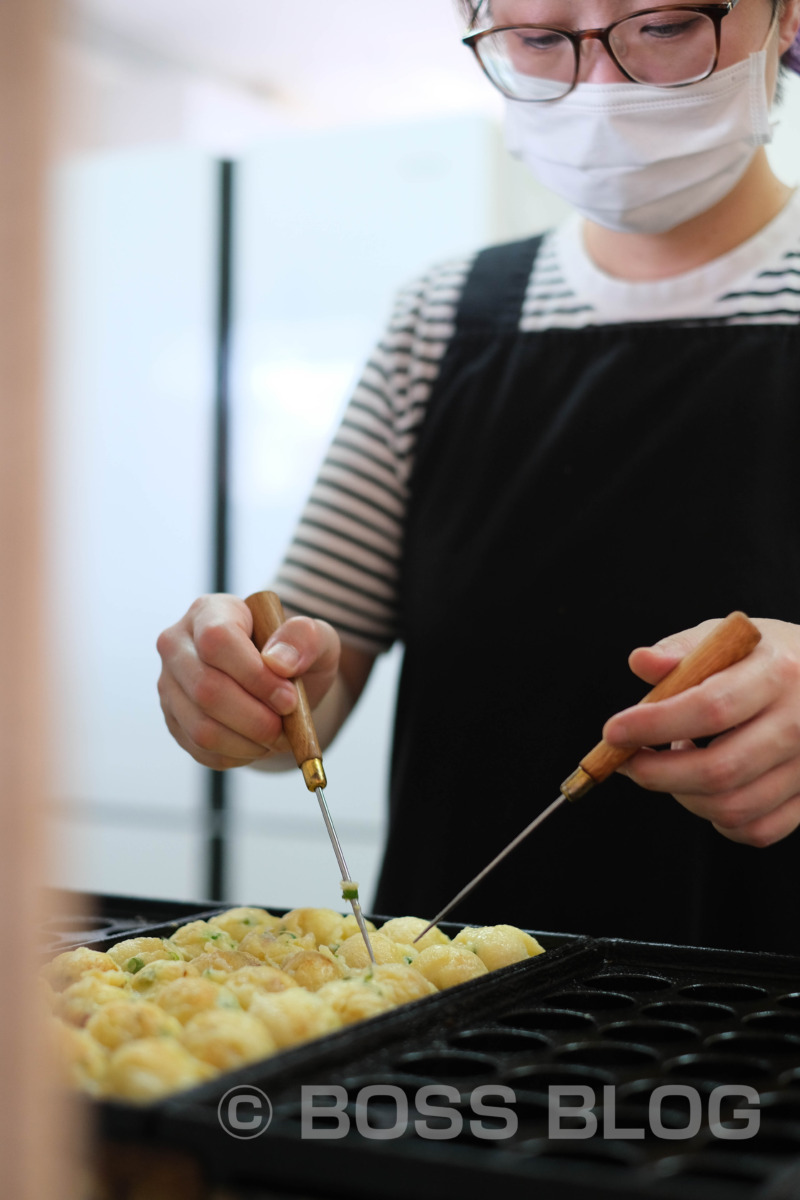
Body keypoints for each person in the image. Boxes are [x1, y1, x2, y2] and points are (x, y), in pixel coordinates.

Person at [157, 0, 800, 954]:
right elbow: (310, 688)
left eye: (662, 25)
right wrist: (246, 693)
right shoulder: (441, 319)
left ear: (783, 18)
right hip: (451, 1007)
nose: (601, 90)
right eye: (541, 40)